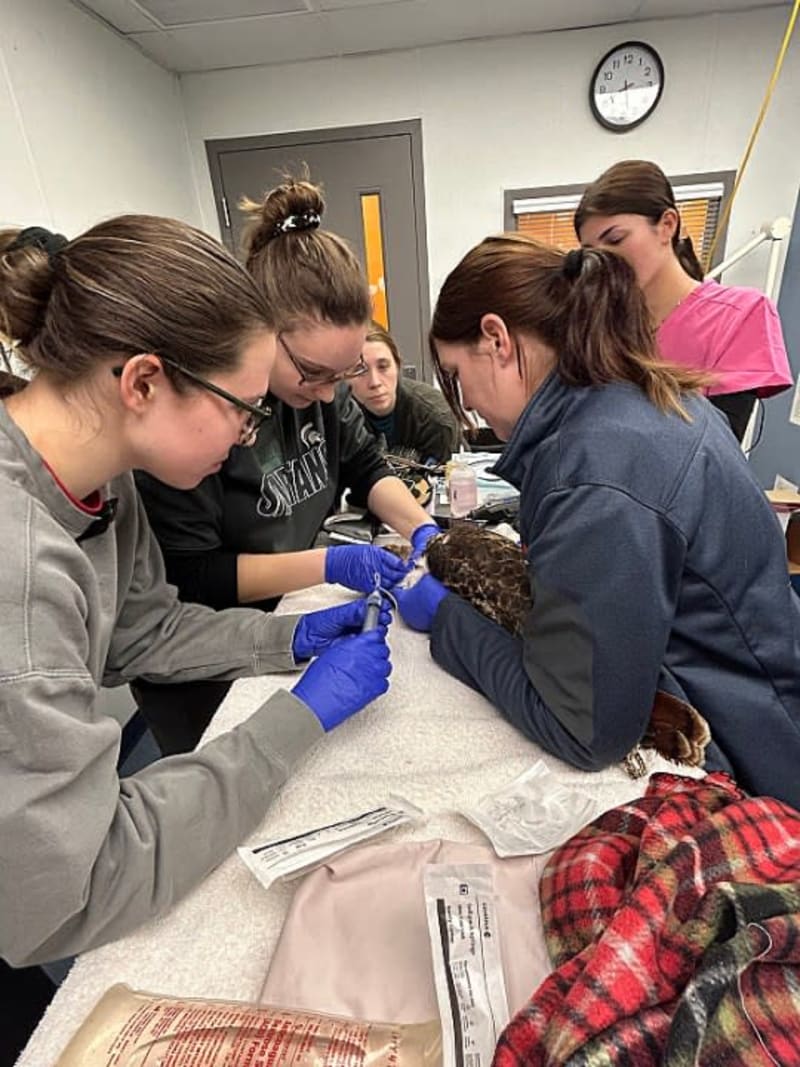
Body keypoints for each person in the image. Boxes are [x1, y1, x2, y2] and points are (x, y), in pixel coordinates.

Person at [0, 218, 392, 967]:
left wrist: (287, 639)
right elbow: (72, 891)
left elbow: (146, 632)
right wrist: (297, 720)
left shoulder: (102, 480)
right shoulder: (18, 569)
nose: (248, 435)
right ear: (143, 380)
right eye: (242, 412)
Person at [393, 233, 800, 809]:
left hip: (752, 761)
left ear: (496, 340)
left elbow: (582, 731)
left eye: (458, 376)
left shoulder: (595, 473)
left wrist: (448, 622)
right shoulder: (638, 402)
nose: (471, 404)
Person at [134, 179, 436, 753]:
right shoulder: (199, 424)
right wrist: (330, 563)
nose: (329, 395)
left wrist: (423, 530)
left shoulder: (323, 389)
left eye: (342, 374)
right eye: (314, 372)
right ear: (260, 331)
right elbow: (193, 578)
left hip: (287, 622)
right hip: (202, 651)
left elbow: (366, 466)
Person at [574, 159, 792, 442]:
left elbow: (714, 449)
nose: (605, 259)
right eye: (592, 251)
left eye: (615, 239)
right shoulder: (603, 325)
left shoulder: (740, 315)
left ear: (667, 225)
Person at [348, 321, 463, 464]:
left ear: (397, 366)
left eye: (383, 367)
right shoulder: (340, 418)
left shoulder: (436, 418)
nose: (375, 382)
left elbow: (448, 480)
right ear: (345, 377)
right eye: (360, 370)